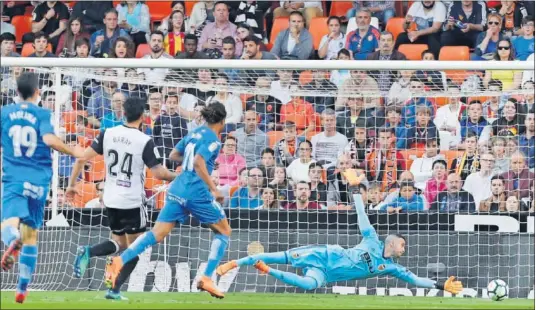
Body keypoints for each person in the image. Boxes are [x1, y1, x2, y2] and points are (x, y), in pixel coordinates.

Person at [216, 190, 463, 294]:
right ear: (392, 242)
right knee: (278, 254)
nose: (404, 248)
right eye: (403, 244)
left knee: (309, 285)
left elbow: (417, 280)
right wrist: (356, 190)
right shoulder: (372, 240)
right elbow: (362, 215)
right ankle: (233, 263)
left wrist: (441, 285)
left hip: (325, 273)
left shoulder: (392, 268)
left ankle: (267, 271)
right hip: (323, 255)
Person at [104, 102, 231, 299]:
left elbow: (173, 155)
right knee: (223, 232)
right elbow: (198, 162)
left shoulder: (195, 133)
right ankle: (206, 278)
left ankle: (120, 261)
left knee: (157, 233)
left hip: (178, 187)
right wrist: (214, 189)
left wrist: (191, 163)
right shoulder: (214, 140)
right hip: (196, 192)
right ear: (223, 121)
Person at [65, 97, 177, 300]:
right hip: (132, 201)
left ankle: (89, 252)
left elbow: (82, 158)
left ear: (123, 114)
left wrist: (71, 185)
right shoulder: (144, 140)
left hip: (110, 199)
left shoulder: (107, 133)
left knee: (118, 242)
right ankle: (114, 290)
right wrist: (179, 175)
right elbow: (159, 173)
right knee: (135, 250)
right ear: (143, 116)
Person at [1, 72, 83, 304]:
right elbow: (49, 140)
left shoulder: (5, 113)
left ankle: (11, 241)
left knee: (8, 224)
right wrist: (73, 150)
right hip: (39, 181)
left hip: (14, 178)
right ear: (38, 92)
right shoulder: (43, 113)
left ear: (17, 92)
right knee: (31, 234)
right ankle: (22, 289)